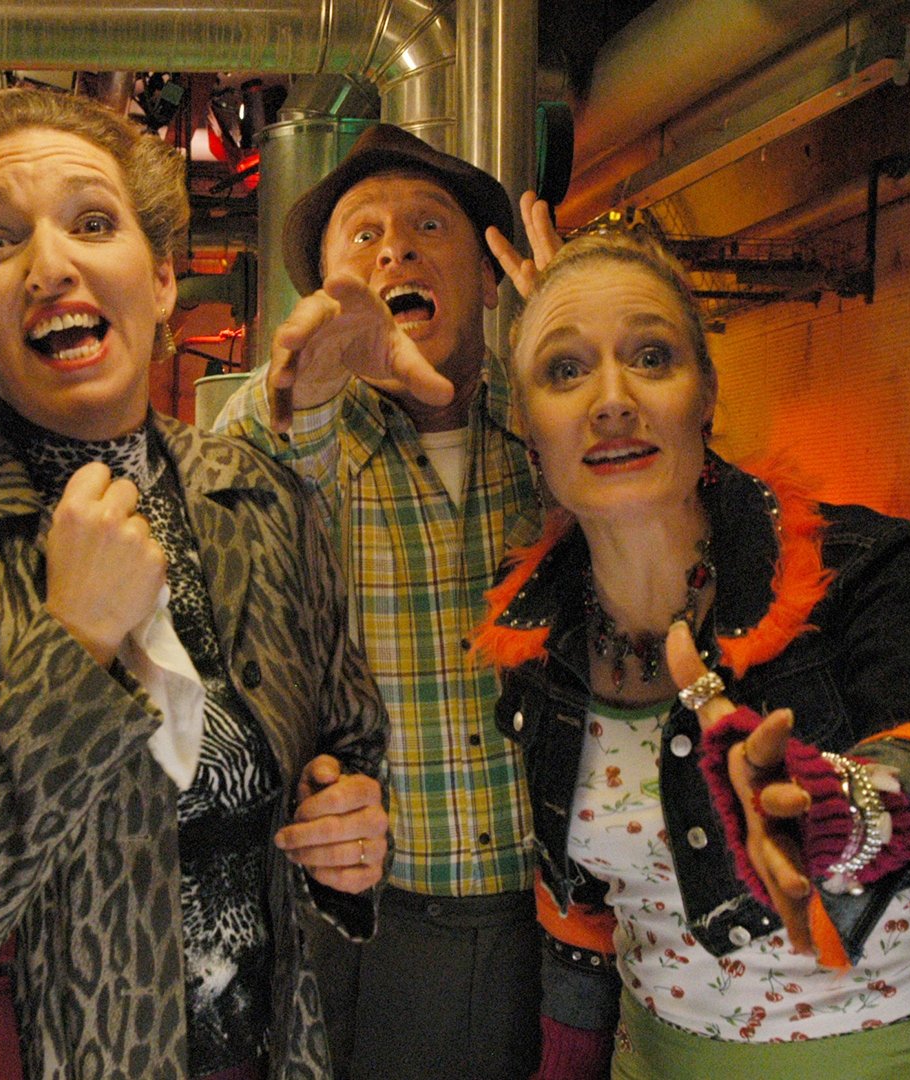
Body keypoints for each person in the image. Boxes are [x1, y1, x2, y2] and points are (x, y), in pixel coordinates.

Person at [0, 86, 389, 1080]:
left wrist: (353, 827)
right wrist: (74, 648)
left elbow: (347, 743)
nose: (49, 266)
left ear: (161, 280)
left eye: (91, 223)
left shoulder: (258, 500)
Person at [469, 224, 910, 1078]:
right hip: (649, 1056)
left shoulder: (857, 563)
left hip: (873, 1056)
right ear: (529, 428)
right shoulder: (539, 630)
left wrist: (841, 810)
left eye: (651, 356)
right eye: (565, 369)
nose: (612, 399)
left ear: (705, 394)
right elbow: (581, 911)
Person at [212, 126, 557, 1079]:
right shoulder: (285, 420)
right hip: (371, 919)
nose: (396, 250)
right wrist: (314, 388)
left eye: (429, 226)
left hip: (560, 914)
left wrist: (579, 341)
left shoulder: (545, 425)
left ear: (489, 279)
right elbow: (246, 508)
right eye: (362, 236)